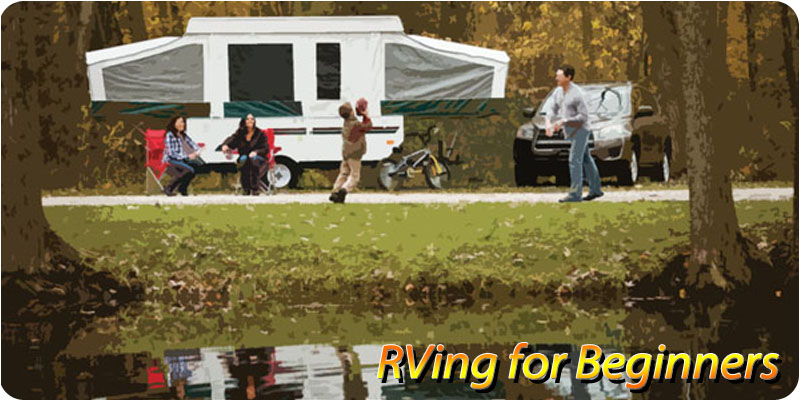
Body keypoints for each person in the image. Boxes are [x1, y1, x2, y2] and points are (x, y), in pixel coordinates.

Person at [545, 64, 604, 203]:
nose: (556, 78)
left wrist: (564, 121)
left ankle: (575, 194)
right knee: (586, 159)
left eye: (559, 76)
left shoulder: (578, 93)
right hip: (570, 130)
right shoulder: (558, 92)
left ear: (568, 77)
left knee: (574, 160)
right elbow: (551, 108)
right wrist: (548, 123)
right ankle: (596, 190)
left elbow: (584, 116)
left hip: (581, 129)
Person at [330, 100, 372, 203]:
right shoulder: (355, 124)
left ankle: (335, 191)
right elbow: (368, 126)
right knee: (355, 175)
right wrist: (366, 115)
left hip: (345, 153)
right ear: (352, 112)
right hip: (355, 154)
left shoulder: (347, 123)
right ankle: (344, 190)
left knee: (344, 173)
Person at [221, 114, 269, 195]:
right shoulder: (240, 133)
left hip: (259, 157)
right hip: (245, 157)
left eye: (252, 119)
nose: (250, 121)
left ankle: (254, 189)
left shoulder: (260, 133)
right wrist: (225, 145)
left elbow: (265, 148)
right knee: (244, 160)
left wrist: (256, 152)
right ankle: (246, 188)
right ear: (244, 121)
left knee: (253, 160)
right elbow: (232, 139)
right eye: (247, 119)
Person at [163, 115, 202, 196]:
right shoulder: (170, 135)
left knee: (196, 167)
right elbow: (171, 153)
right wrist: (188, 156)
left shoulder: (183, 135)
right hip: (170, 161)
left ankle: (182, 188)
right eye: (180, 122)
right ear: (174, 124)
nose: (183, 124)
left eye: (183, 122)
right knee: (188, 170)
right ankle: (168, 188)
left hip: (180, 160)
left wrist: (197, 152)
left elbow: (193, 144)